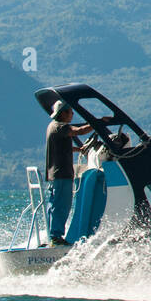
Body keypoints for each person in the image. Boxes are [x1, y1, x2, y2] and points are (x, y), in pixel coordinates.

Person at [44, 101, 102, 245]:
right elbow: (79, 131)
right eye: (70, 112)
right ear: (63, 113)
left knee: (54, 205)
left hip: (56, 175)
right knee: (61, 206)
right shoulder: (60, 126)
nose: (72, 114)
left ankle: (53, 237)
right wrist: (98, 123)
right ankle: (56, 238)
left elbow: (63, 147)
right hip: (61, 174)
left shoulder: (53, 127)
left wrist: (78, 149)